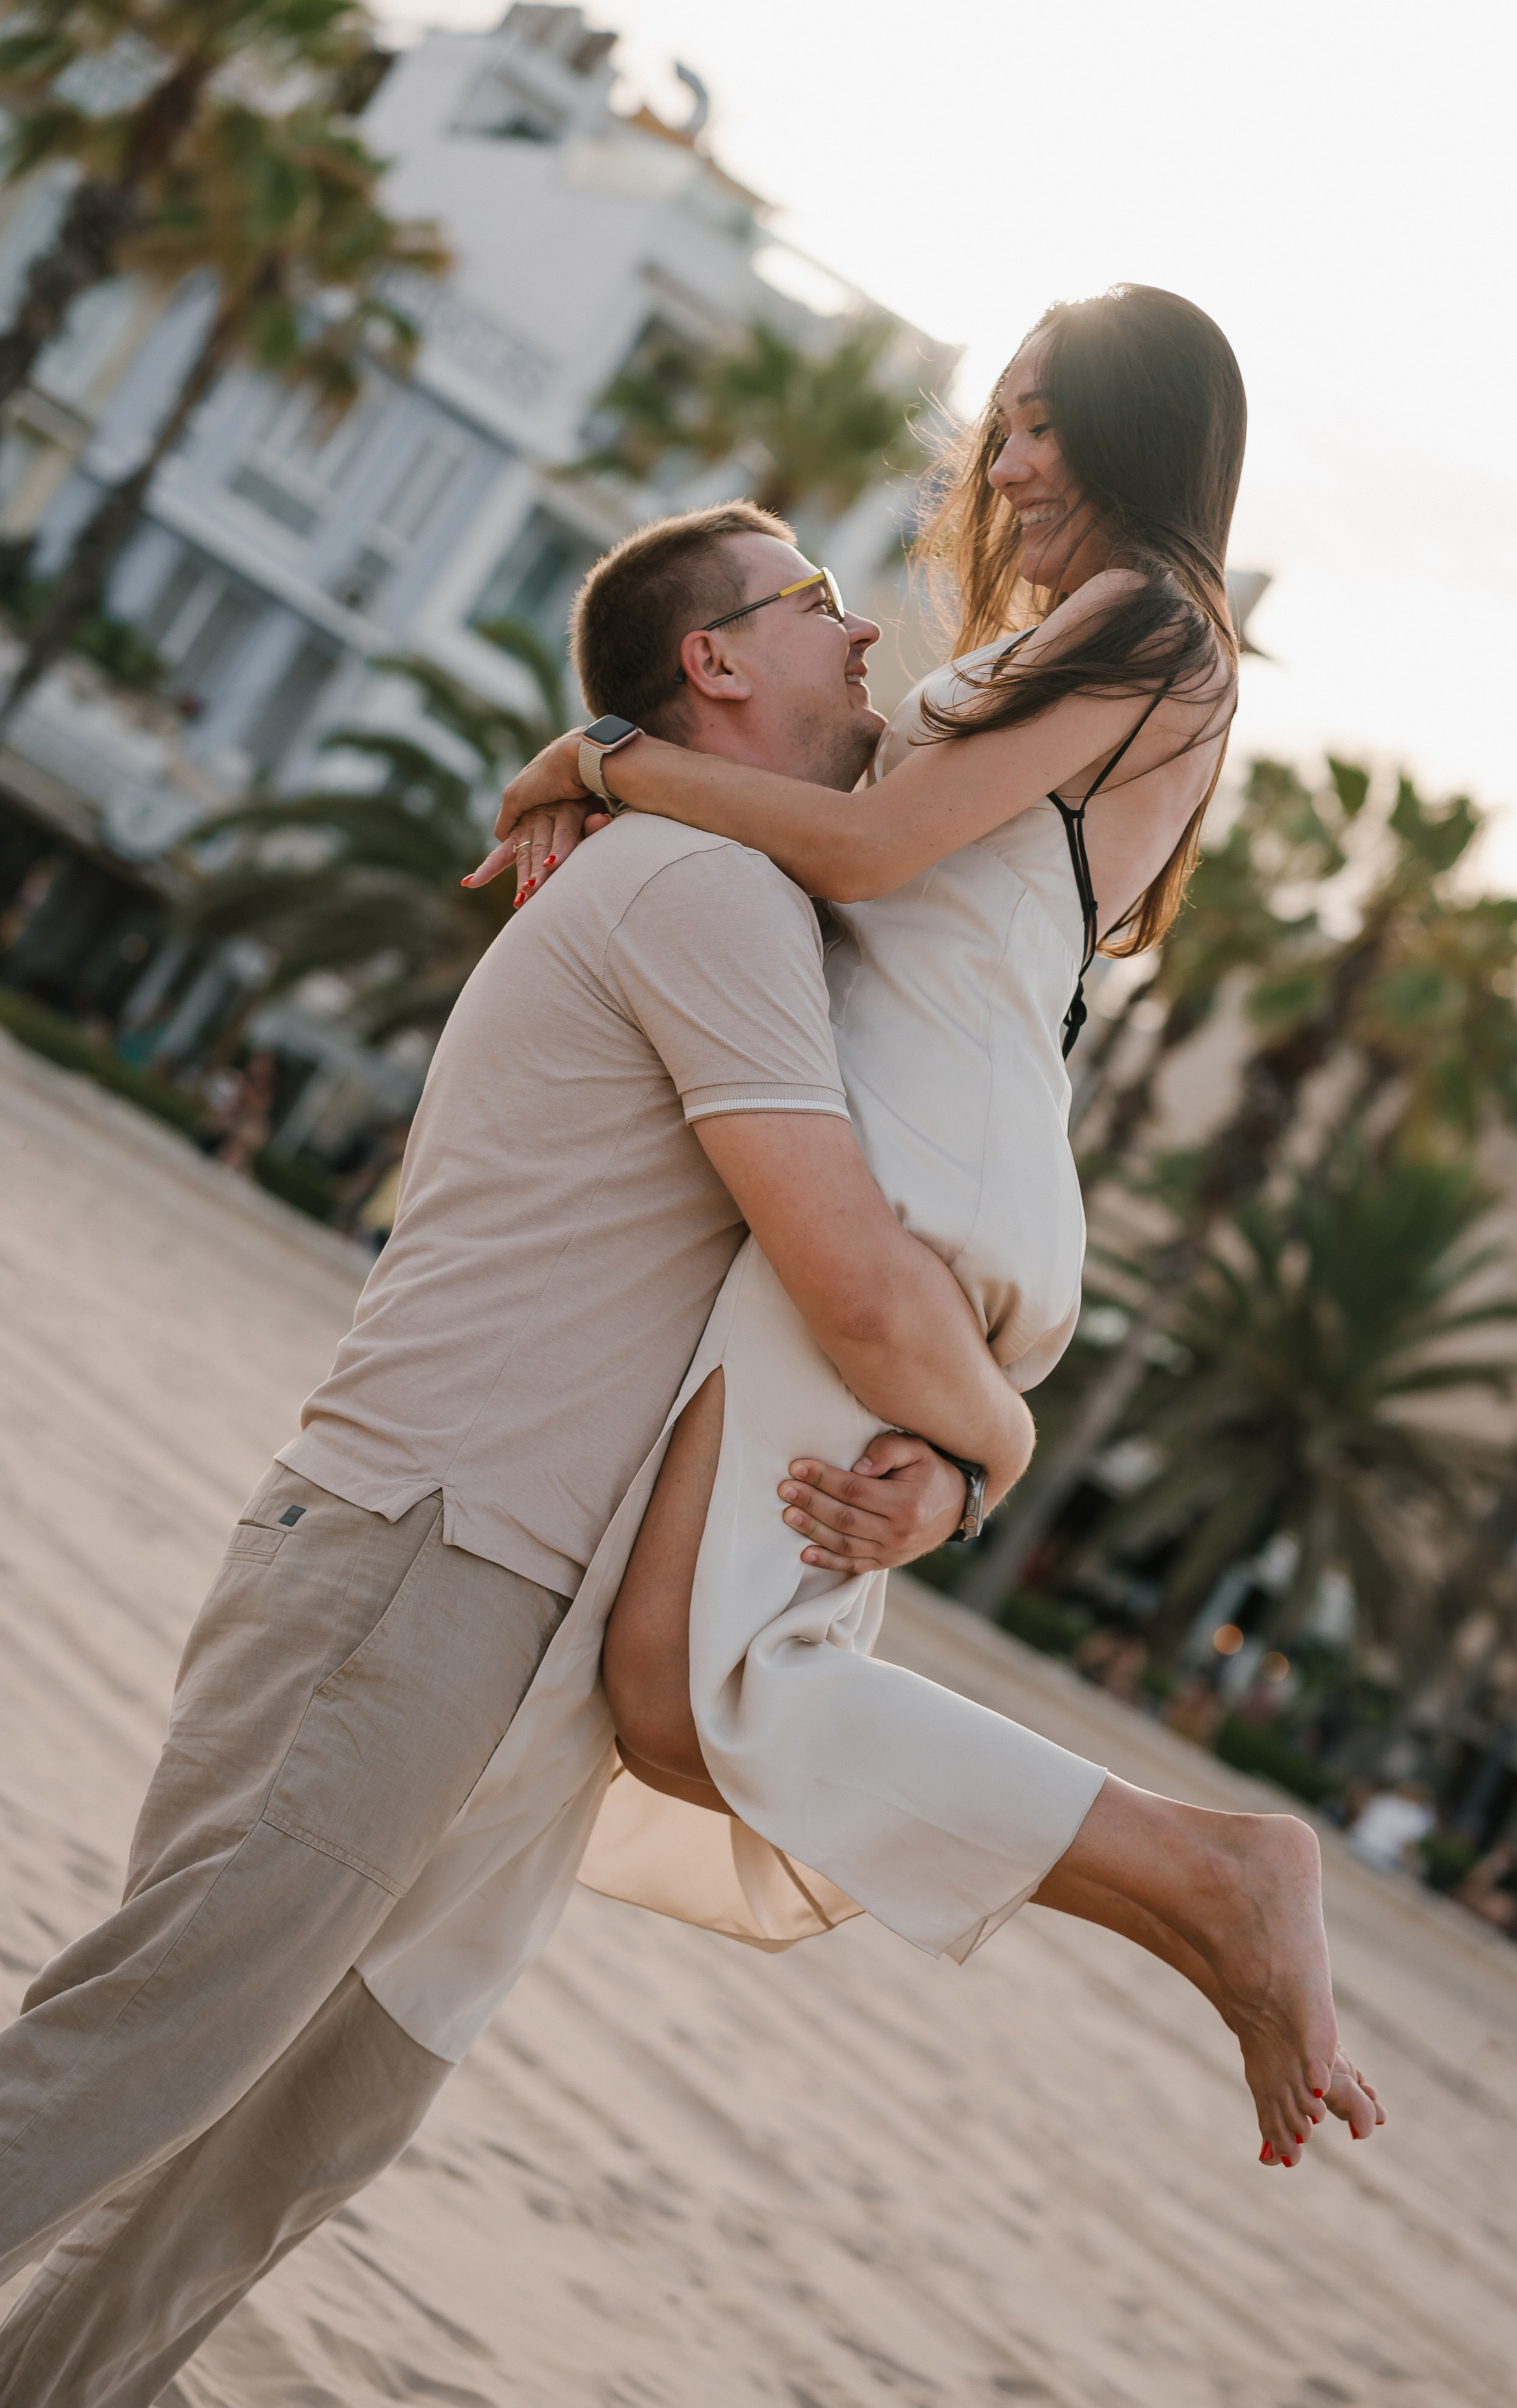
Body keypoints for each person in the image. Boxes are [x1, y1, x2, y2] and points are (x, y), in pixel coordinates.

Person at [0, 503, 1031, 2390]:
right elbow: (861, 1285)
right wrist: (1004, 1440)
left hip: (516, 1620)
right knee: (154, 2045)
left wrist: (932, 1469)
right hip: (429, 1555)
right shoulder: (701, 895)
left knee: (302, 2135)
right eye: (817, 607)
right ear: (713, 662)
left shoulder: (740, 892)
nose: (867, 637)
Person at [462, 285, 1384, 2158]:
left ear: (1141, 441)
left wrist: (604, 761)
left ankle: (1221, 1869)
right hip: (923, 1150)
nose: (1013, 461)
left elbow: (874, 856)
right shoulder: (1089, 637)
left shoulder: (1155, 621)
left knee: (695, 1683)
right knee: (684, 1694)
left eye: (1054, 425)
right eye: (1006, 421)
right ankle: (1198, 1892)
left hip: (915, 1160)